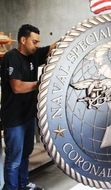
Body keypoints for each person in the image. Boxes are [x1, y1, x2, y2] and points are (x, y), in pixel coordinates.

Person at [1, 24, 56, 190]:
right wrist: (41, 84)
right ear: (23, 40)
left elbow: (53, 47)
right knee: (14, 159)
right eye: (34, 41)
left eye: (38, 42)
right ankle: (11, 188)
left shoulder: (34, 54)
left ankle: (23, 184)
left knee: (25, 154)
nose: (37, 45)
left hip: (27, 116)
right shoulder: (11, 57)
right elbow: (17, 87)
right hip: (14, 119)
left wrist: (76, 33)